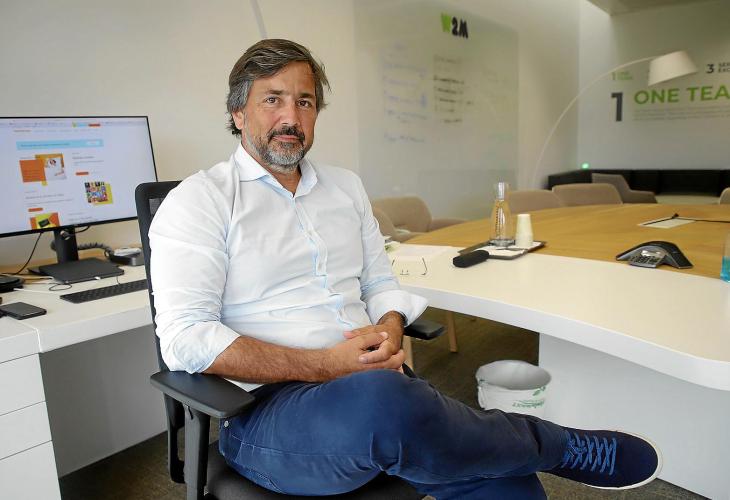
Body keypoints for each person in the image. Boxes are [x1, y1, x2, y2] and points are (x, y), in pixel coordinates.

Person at [149, 39, 661, 499]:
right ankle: (558, 446)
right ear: (239, 112)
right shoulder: (200, 201)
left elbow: (380, 281)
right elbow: (186, 340)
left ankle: (508, 444)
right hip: (266, 415)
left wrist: (390, 325)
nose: (291, 117)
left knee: (508, 481)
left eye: (304, 102)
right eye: (273, 100)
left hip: (377, 385)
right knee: (393, 405)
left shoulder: (344, 188)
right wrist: (327, 366)